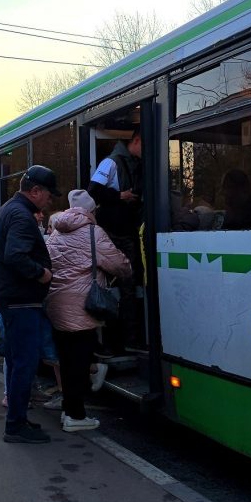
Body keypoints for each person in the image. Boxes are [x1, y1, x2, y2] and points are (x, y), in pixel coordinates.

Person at [44, 190, 130, 431]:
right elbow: (118, 264)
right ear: (91, 211)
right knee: (80, 363)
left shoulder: (56, 234)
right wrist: (129, 270)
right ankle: (76, 416)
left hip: (56, 307)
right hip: (82, 309)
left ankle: (68, 411)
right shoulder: (94, 233)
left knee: (67, 360)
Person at [0, 164, 60, 443]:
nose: (50, 200)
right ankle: (15, 425)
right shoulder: (21, 215)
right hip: (21, 301)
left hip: (13, 299)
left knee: (16, 359)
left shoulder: (10, 208)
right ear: (35, 191)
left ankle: (17, 420)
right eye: (48, 195)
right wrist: (43, 273)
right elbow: (16, 256)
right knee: (24, 363)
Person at [87, 129, 144, 355]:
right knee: (114, 289)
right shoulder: (110, 163)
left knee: (129, 288)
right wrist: (121, 196)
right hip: (113, 233)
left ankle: (129, 339)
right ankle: (114, 342)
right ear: (136, 140)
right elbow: (94, 190)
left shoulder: (135, 163)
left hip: (127, 232)